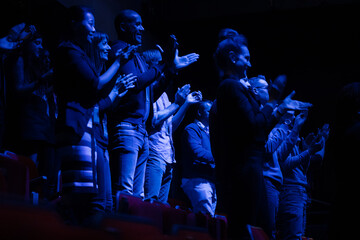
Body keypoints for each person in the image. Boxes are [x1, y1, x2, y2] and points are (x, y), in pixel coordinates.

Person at [210, 36, 312, 239]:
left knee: (261, 230)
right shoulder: (231, 87)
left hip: (248, 172)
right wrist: (274, 102)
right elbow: (254, 127)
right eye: (246, 58)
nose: (250, 63)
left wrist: (279, 109)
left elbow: (258, 131)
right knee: (247, 230)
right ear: (232, 57)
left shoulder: (233, 88)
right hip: (242, 174)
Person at [53, 5, 135, 225]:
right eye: (90, 23)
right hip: (77, 129)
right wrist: (118, 63)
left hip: (88, 130)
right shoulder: (68, 51)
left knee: (104, 202)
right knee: (87, 200)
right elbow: (95, 85)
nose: (94, 28)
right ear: (73, 23)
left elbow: (97, 93)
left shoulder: (78, 53)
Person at [108, 9, 199, 198]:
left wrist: (170, 69)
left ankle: (133, 227)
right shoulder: (118, 49)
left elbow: (151, 93)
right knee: (125, 189)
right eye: (137, 24)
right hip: (127, 127)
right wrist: (165, 63)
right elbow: (136, 83)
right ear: (124, 27)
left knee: (138, 195)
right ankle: (118, 226)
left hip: (140, 131)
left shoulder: (138, 57)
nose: (142, 28)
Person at [142, 48, 202, 203]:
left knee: (161, 207)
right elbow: (153, 120)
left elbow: (170, 127)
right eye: (159, 64)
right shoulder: (147, 92)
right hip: (154, 153)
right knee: (150, 202)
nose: (163, 68)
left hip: (168, 156)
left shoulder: (163, 94)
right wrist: (176, 103)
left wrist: (186, 103)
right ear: (150, 66)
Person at [88, 31, 137, 212]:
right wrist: (114, 92)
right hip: (92, 139)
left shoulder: (102, 73)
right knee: (100, 203)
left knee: (108, 204)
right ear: (94, 47)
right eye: (104, 44)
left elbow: (106, 107)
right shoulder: (92, 77)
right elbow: (92, 108)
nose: (108, 48)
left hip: (102, 138)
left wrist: (118, 94)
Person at [276, 115, 327, 240]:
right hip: (291, 190)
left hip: (299, 190)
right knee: (293, 236)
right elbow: (285, 165)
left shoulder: (294, 137)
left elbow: (300, 168)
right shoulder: (282, 135)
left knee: (299, 236)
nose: (295, 116)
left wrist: (305, 147)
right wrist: (309, 151)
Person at [181, 100, 216, 216]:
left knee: (209, 219)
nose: (212, 114)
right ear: (199, 113)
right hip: (197, 180)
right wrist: (219, 158)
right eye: (208, 111)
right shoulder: (192, 128)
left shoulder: (210, 132)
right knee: (205, 218)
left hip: (209, 180)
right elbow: (197, 152)